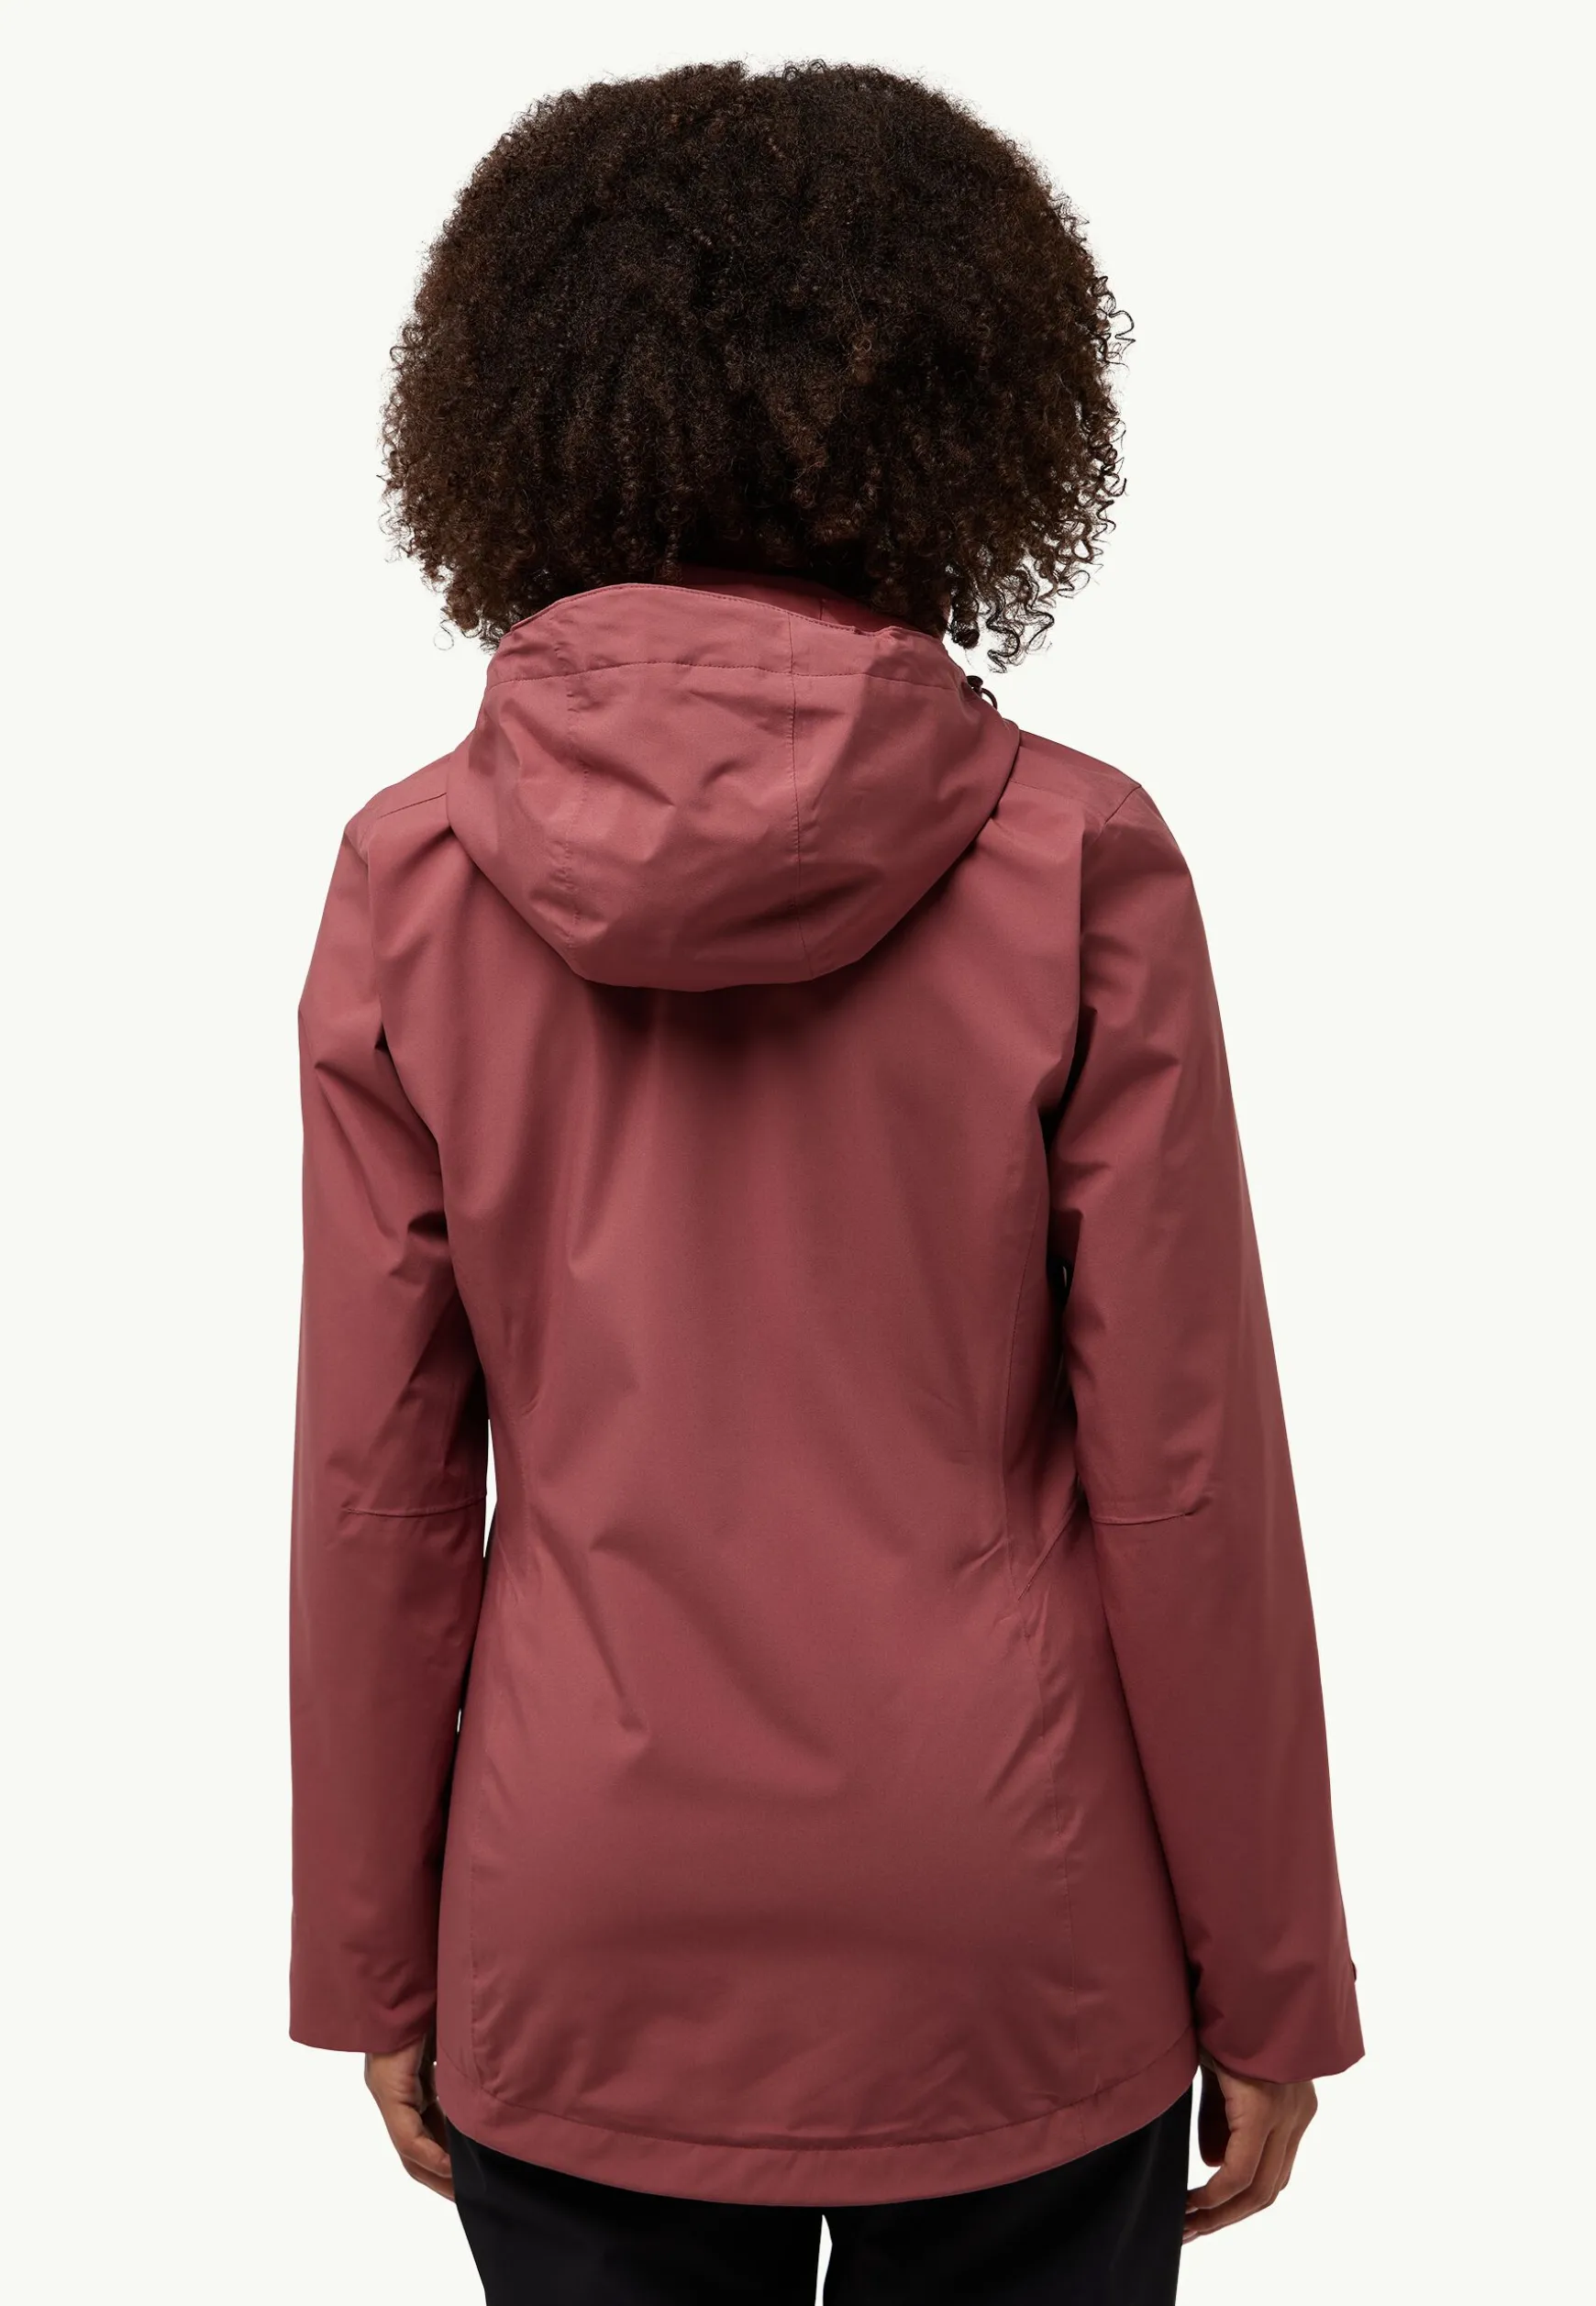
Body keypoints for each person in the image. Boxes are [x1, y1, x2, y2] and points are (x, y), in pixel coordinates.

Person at [288, 60, 1362, 2305]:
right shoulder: (1076, 857)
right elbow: (1186, 1475)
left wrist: (373, 1955)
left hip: (580, 1912)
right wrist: (1276, 1976)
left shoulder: (414, 875)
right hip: (1012, 1912)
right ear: (966, 412)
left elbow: (379, 1485)